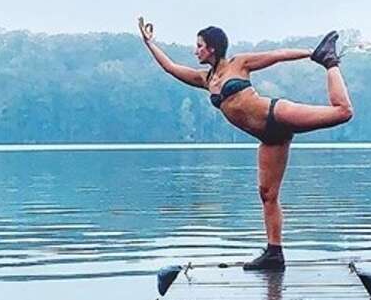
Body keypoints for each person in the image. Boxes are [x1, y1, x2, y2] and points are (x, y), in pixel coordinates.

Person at [138, 16, 353, 270]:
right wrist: (149, 43)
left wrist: (312, 53)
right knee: (267, 195)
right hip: (269, 139)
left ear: (212, 48)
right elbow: (171, 68)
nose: (195, 50)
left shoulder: (239, 64)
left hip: (276, 113)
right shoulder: (205, 79)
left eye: (199, 45)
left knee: (343, 112)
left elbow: (278, 54)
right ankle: (274, 254)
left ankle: (331, 62)